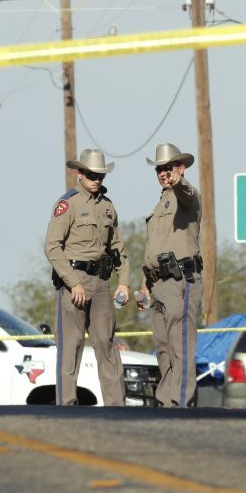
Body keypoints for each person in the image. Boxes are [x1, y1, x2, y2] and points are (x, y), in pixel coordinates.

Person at [44, 149, 131, 406]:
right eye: (92, 174)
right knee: (71, 346)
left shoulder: (107, 206)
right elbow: (52, 247)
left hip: (102, 282)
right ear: (79, 174)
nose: (97, 179)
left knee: (107, 343)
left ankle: (116, 406)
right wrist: (74, 283)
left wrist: (124, 281)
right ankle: (67, 406)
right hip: (75, 281)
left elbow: (118, 249)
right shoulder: (68, 204)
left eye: (101, 175)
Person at [137, 143, 203, 407]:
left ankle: (181, 403)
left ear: (181, 168)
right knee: (163, 348)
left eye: (169, 168)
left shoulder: (186, 194)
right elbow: (155, 248)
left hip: (180, 281)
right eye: (160, 169)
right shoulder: (161, 201)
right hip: (159, 283)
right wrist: (145, 286)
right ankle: (167, 403)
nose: (164, 173)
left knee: (180, 345)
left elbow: (187, 192)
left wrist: (179, 182)